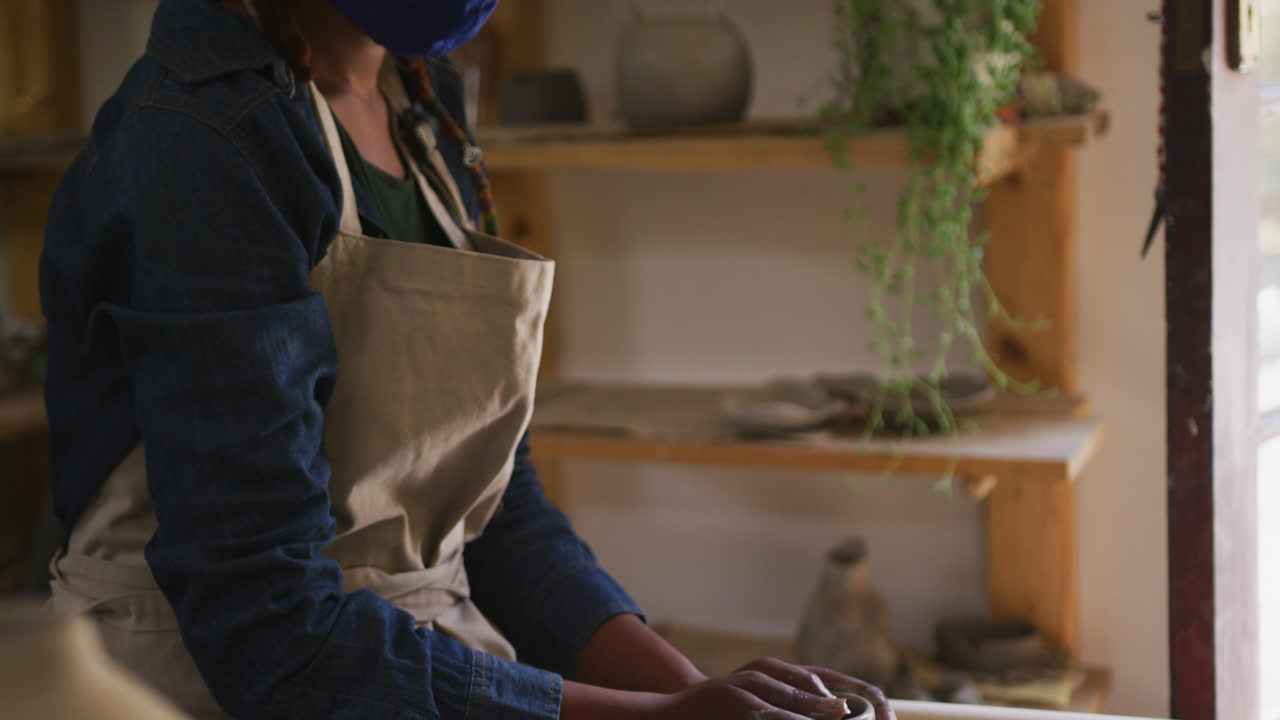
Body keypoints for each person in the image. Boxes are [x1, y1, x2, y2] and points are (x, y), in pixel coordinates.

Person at [39, 1, 896, 718]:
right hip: (198, 689)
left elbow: (494, 515)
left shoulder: (421, 106)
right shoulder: (201, 141)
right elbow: (264, 624)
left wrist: (694, 690)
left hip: (403, 668)